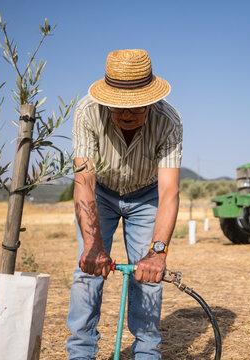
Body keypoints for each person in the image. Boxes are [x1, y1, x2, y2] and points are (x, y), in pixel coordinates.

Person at [66, 49, 182, 359]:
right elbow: (84, 181)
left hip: (147, 195)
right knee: (87, 272)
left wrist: (158, 252)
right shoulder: (87, 112)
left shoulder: (169, 121)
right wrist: (93, 246)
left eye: (134, 108)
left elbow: (169, 191)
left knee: (148, 277)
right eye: (117, 108)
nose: (126, 114)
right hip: (100, 193)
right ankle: (80, 352)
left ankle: (146, 352)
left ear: (150, 100)